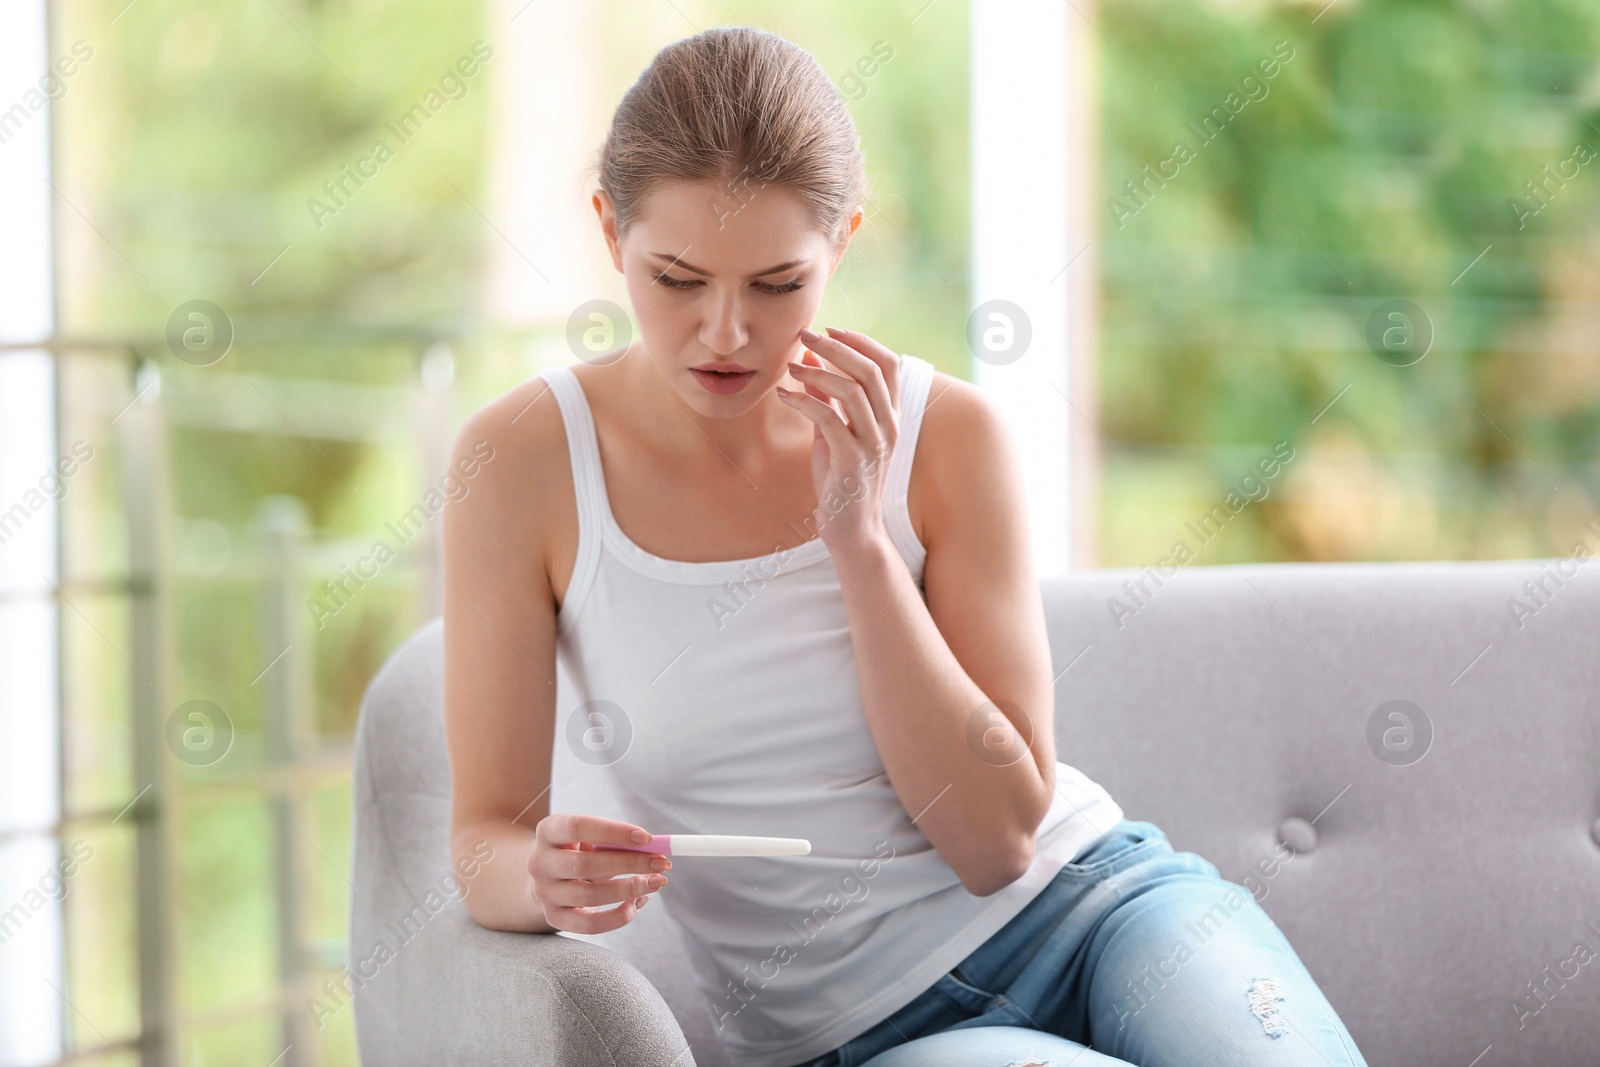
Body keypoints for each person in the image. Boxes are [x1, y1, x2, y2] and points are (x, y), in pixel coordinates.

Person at [441, 24, 1370, 1067]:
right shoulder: (520, 466)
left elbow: (995, 843)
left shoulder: (947, 438)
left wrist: (861, 545)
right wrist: (541, 878)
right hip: (859, 1031)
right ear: (610, 232)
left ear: (843, 241)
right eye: (678, 278)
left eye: (778, 284)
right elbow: (484, 835)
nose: (725, 333)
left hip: (1104, 907)